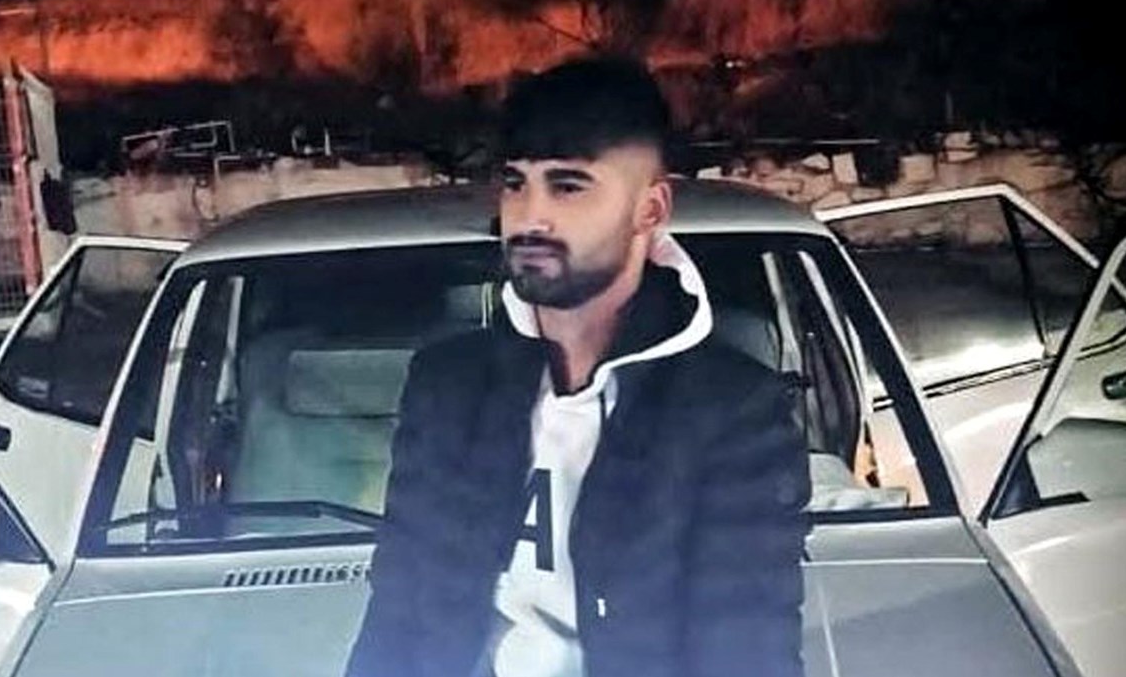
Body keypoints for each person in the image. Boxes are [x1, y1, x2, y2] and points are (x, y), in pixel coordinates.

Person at [345, 56, 810, 677]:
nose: (530, 217)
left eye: (568, 186)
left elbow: (746, 651)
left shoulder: (730, 412)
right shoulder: (449, 385)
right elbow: (396, 614)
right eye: (516, 183)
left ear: (651, 209)